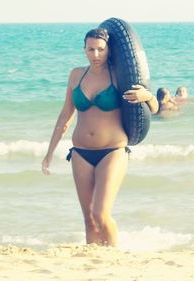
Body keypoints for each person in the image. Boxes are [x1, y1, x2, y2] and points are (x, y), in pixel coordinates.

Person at [41, 28, 158, 247]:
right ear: (84, 49)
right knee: (89, 219)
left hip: (112, 150)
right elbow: (65, 115)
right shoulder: (76, 74)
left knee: (100, 213)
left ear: (109, 50)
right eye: (91, 49)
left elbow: (155, 108)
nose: (96, 55)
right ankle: (94, 259)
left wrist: (148, 96)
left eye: (101, 49)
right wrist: (49, 153)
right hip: (81, 153)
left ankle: (114, 257)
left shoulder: (119, 75)